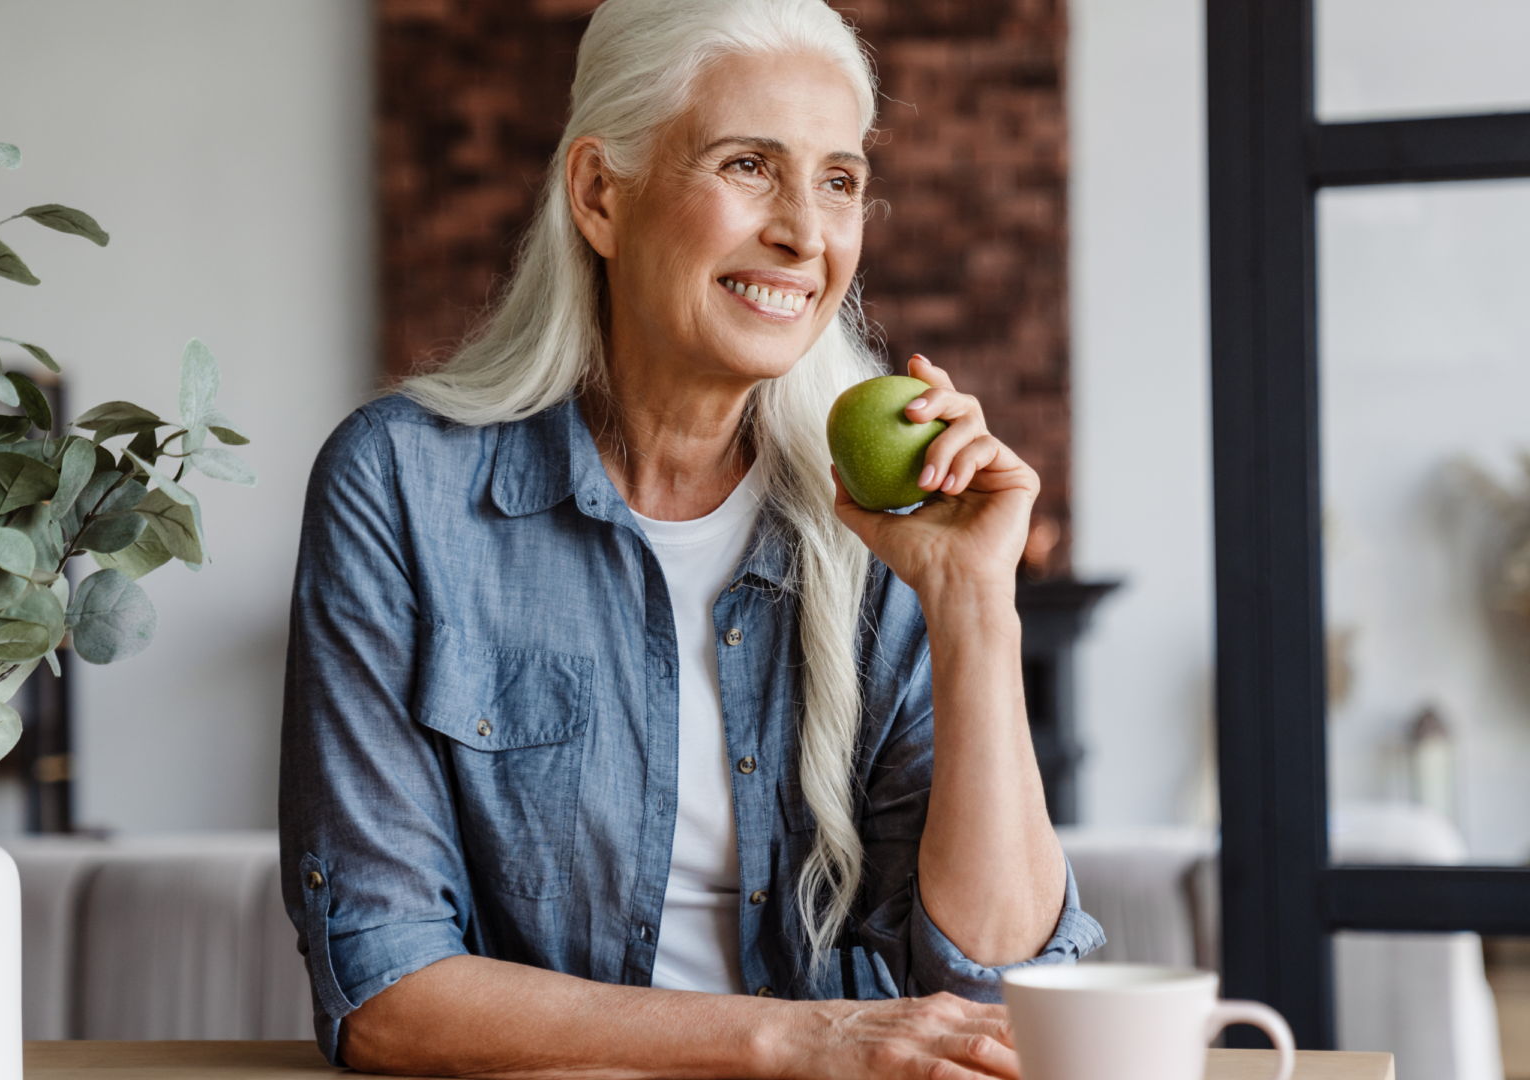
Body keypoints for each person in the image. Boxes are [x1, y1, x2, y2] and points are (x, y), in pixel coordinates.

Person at [278, 1, 1103, 1076]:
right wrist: (797, 1041)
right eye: (749, 165)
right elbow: (384, 993)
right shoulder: (399, 487)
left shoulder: (891, 515)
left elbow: (997, 992)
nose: (807, 234)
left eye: (840, 179)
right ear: (600, 194)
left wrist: (974, 605)